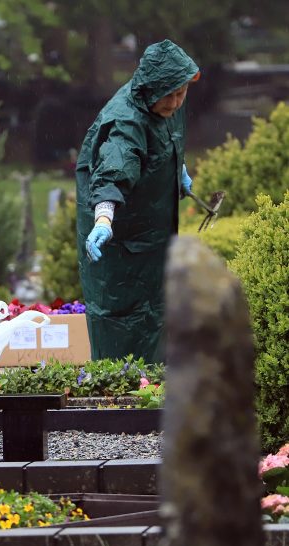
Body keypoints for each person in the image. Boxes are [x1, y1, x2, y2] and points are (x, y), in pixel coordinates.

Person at [76, 39, 200, 363]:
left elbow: (161, 141)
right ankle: (121, 404)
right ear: (150, 89)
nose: (175, 102)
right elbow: (113, 171)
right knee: (124, 322)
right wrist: (103, 217)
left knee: (157, 313)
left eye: (181, 92)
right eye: (169, 94)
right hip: (121, 239)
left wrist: (177, 170)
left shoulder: (165, 100)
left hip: (152, 231)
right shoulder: (126, 123)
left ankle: (155, 392)